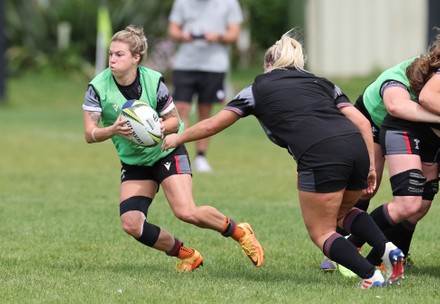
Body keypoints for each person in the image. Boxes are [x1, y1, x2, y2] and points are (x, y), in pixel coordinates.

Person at [162, 30, 405, 289]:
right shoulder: (323, 83)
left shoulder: (256, 88)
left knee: (322, 231)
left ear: (268, 64)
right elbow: (362, 122)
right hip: (355, 146)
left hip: (321, 153)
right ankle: (388, 248)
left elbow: (212, 124)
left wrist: (178, 138)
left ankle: (370, 276)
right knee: (344, 213)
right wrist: (369, 165)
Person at [82, 25, 264, 272]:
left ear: (136, 58)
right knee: (131, 223)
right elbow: (90, 134)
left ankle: (239, 231)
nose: (112, 59)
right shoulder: (98, 87)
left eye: (119, 54)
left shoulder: (153, 81)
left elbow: (173, 120)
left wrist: (157, 128)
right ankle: (188, 255)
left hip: (166, 150)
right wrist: (111, 130)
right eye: (111, 54)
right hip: (135, 162)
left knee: (186, 211)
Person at [322, 34, 440, 273]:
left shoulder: (429, 79)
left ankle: (396, 254)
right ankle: (343, 246)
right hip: (372, 122)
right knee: (367, 187)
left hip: (408, 127)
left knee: (416, 200)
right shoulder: (398, 79)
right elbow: (396, 108)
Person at [167, 0, 243, 172]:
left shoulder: (229, 3)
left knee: (205, 111)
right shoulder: (182, 2)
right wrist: (182, 35)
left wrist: (218, 36)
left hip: (214, 65)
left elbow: (234, 34)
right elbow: (172, 29)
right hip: (185, 64)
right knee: (180, 109)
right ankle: (180, 152)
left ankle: (201, 157)